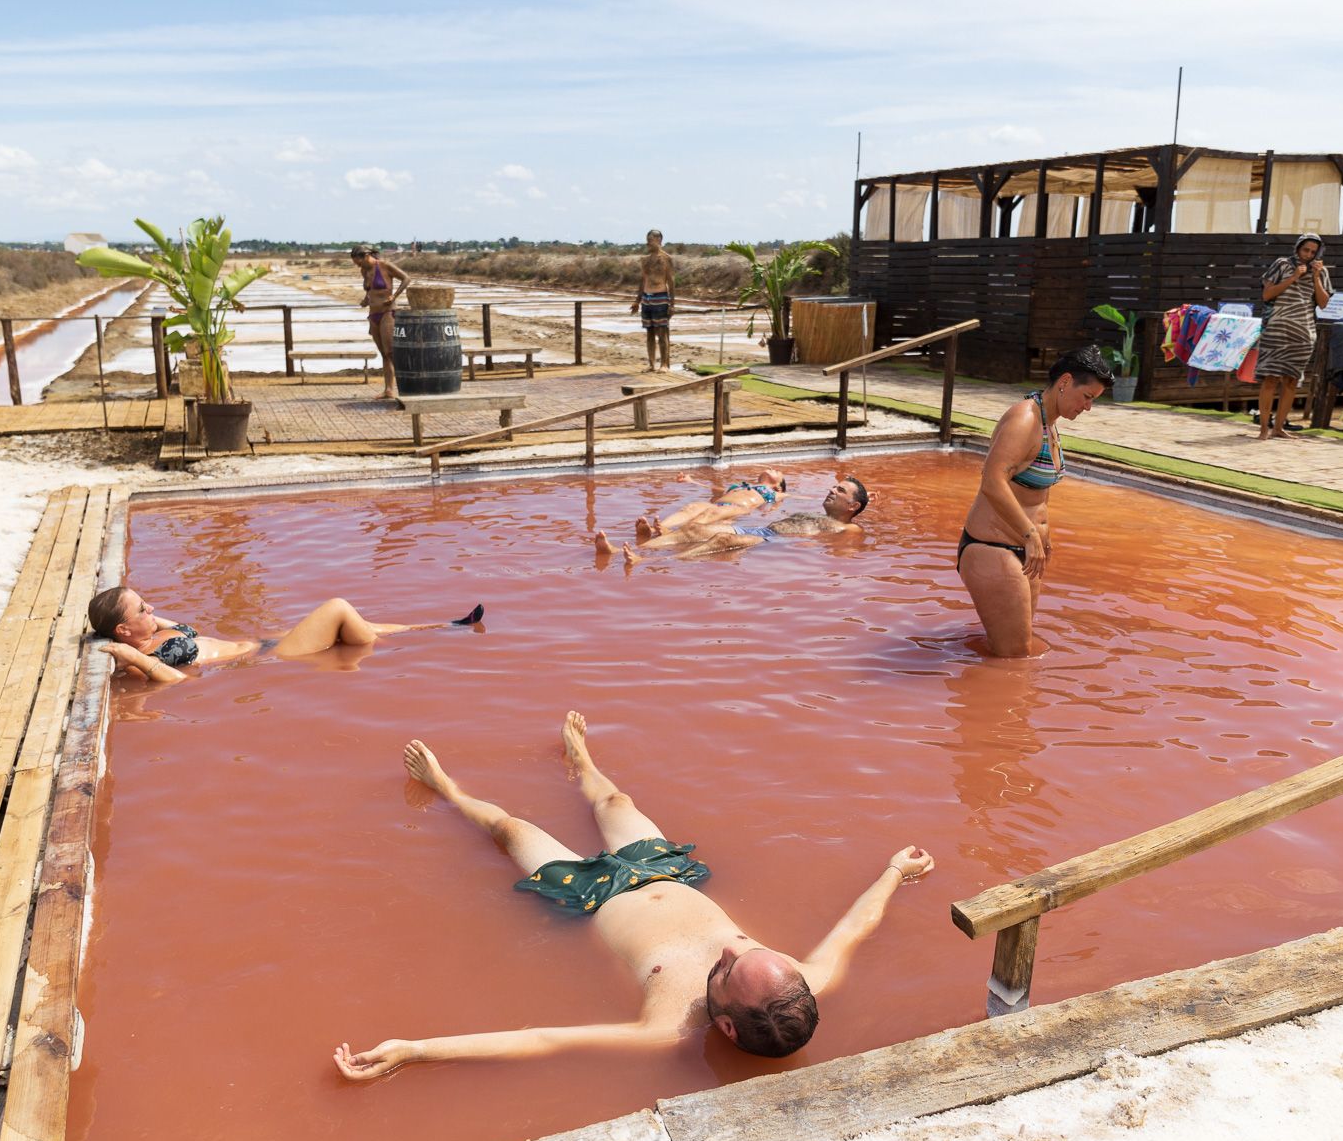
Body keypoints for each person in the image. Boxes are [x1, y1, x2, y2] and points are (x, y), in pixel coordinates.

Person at [333, 712, 933, 1079]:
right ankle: (583, 761)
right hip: (661, 873)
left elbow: (540, 1040)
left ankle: (447, 788)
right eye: (745, 949)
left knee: (510, 829)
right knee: (615, 804)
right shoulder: (799, 980)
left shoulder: (665, 1027)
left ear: (724, 1028)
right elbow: (855, 928)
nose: (728, 950)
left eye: (727, 971)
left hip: (594, 893)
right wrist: (892, 872)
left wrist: (414, 1050)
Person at [955, 346, 1110, 658]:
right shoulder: (1025, 418)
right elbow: (992, 481)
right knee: (1014, 659)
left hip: (1025, 551)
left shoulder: (1047, 422)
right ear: (1066, 381)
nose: (1088, 407)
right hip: (992, 548)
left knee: (1016, 651)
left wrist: (1043, 533)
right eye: (1088, 397)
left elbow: (1037, 489)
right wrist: (1029, 533)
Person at [87, 586, 482, 685]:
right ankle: (432, 634)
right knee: (339, 608)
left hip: (265, 642)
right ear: (123, 630)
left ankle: (444, 626)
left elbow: (156, 623)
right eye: (142, 609)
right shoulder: (147, 660)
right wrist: (131, 654)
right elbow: (171, 680)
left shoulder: (152, 630)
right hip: (271, 657)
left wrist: (145, 620)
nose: (151, 609)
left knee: (365, 623)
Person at [599, 477, 869, 561]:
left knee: (723, 538)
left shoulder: (851, 528)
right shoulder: (816, 514)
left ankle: (645, 562)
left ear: (853, 505)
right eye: (834, 487)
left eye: (840, 490)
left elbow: (839, 554)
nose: (832, 490)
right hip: (761, 529)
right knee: (695, 528)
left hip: (771, 541)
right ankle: (630, 549)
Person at [1255, 234, 1333, 440]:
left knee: (1291, 381)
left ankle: (1279, 427)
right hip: (1276, 330)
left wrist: (1315, 277)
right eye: (1305, 249)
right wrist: (1293, 277)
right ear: (1298, 248)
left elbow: (1323, 303)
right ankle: (1264, 428)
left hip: (1303, 333)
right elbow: (1267, 295)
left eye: (1313, 252)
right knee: (1270, 379)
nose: (1308, 254)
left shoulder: (1321, 271)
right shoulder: (1281, 264)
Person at [643, 468, 787, 535]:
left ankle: (673, 534)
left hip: (737, 508)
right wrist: (691, 481)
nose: (772, 469)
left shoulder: (775, 493)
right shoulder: (742, 486)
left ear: (778, 487)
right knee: (692, 507)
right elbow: (718, 489)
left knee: (711, 512)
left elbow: (794, 498)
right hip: (717, 504)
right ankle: (657, 529)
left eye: (777, 472)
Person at [350, 245, 411, 400]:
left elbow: (406, 278)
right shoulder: (364, 270)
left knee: (391, 352)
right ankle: (388, 390)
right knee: (384, 354)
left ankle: (408, 386)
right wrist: (365, 300)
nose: (357, 265)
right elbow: (369, 291)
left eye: (357, 261)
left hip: (387, 312)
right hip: (373, 314)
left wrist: (394, 296)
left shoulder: (385, 266)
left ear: (364, 256)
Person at [628, 230, 675, 372]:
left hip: (660, 297)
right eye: (647, 239)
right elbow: (643, 280)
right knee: (649, 333)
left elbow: (671, 281)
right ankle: (651, 363)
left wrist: (672, 304)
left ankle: (664, 364)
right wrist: (637, 301)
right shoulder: (645, 260)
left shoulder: (667, 258)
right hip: (647, 299)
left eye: (651, 239)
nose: (648, 242)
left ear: (659, 240)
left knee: (662, 332)